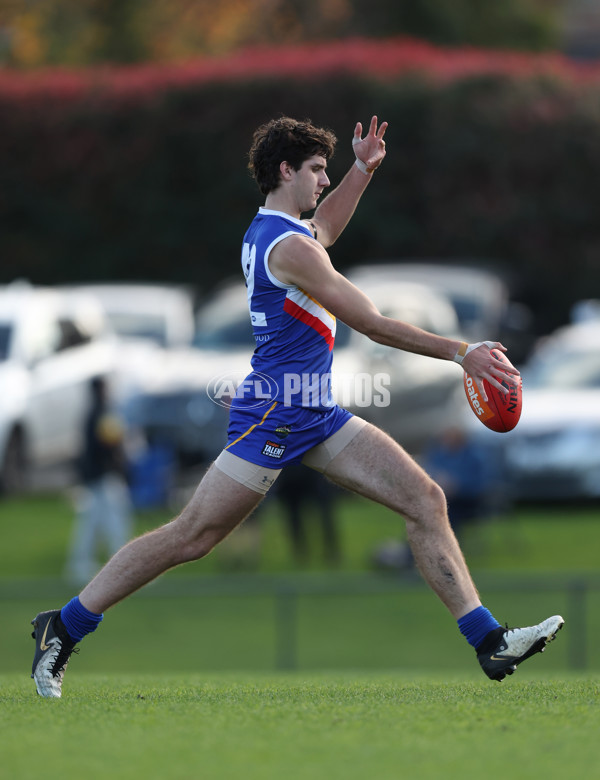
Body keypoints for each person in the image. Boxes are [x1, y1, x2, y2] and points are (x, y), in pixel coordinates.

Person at [31, 115, 563, 698]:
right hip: (276, 414)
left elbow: (326, 227)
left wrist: (362, 170)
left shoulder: (280, 235)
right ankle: (64, 625)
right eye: (315, 170)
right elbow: (372, 322)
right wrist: (463, 352)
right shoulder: (289, 249)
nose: (321, 181)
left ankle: (489, 642)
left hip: (317, 412)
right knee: (193, 537)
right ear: (285, 171)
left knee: (425, 499)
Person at [65, 376, 133, 584]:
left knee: (92, 522)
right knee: (113, 521)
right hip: (102, 477)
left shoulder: (93, 412)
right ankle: (123, 566)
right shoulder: (100, 413)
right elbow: (109, 444)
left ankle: (82, 564)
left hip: (96, 477)